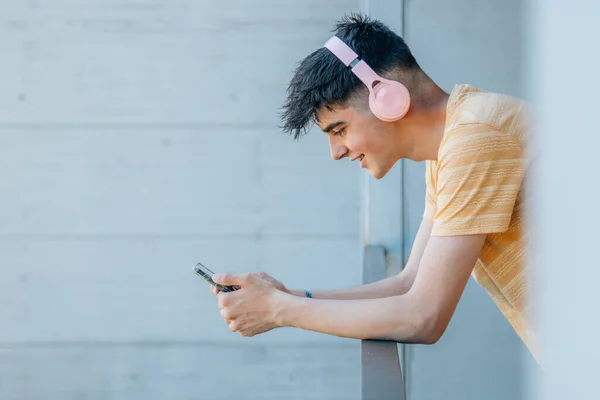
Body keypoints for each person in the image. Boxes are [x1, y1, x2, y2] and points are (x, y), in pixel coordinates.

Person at [210, 13, 535, 361]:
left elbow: (423, 317)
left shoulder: (476, 138)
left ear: (387, 97)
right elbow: (407, 284)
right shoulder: (451, 146)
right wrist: (289, 296)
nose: (336, 153)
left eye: (338, 130)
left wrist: (278, 310)